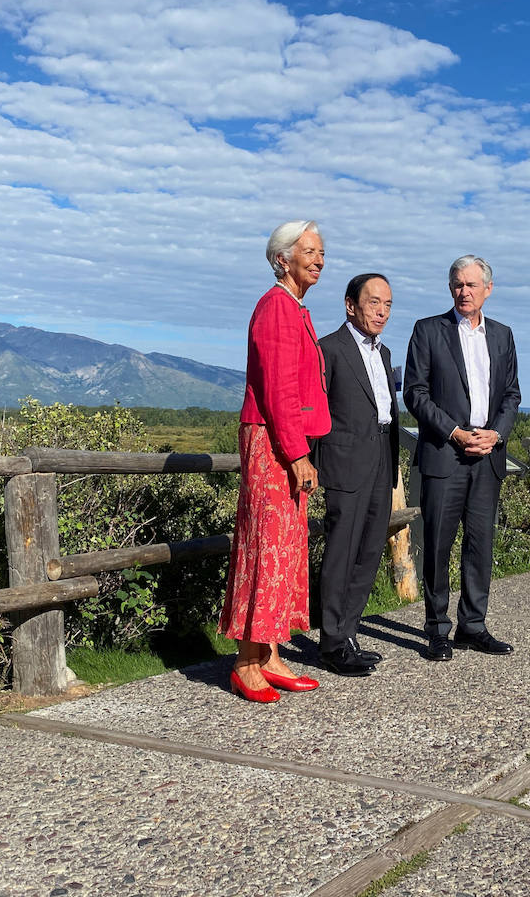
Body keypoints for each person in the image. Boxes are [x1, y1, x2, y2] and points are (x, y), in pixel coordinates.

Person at [219, 221, 331, 703]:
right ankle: (246, 662)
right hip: (272, 440)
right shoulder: (275, 308)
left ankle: (270, 654)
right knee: (267, 545)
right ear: (282, 258)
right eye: (309, 250)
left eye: (322, 251)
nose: (319, 258)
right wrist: (297, 453)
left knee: (286, 546)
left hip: (282, 438)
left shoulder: (293, 307)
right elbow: (278, 390)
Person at [404, 255, 521, 661]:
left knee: (480, 544)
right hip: (445, 453)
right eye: (457, 284)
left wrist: (496, 434)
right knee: (437, 545)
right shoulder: (428, 330)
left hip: (487, 456)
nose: (463, 292)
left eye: (471, 285)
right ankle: (437, 629)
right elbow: (414, 393)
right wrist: (454, 432)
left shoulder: (503, 336)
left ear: (488, 289)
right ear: (449, 287)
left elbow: (511, 395)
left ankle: (473, 626)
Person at [313, 273, 400, 677]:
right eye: (373, 303)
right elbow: (314, 410)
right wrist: (310, 462)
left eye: (387, 304)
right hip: (345, 460)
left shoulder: (383, 353)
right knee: (342, 551)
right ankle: (331, 641)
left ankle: (348, 633)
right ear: (351, 305)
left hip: (382, 454)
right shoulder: (329, 349)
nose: (381, 311)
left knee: (368, 550)